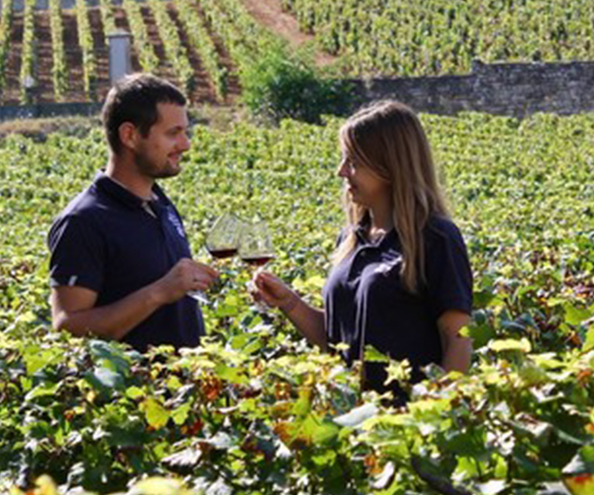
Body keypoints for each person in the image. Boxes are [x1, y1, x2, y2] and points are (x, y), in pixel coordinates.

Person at [251, 100, 473, 396]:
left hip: (406, 425)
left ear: (390, 166)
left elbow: (457, 342)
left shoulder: (435, 238)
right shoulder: (351, 239)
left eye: (353, 161)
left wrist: (433, 417)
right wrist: (289, 302)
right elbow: (339, 340)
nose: (341, 172)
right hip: (352, 420)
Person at [48, 74, 218, 351]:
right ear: (130, 135)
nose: (185, 145)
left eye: (185, 132)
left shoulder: (160, 203)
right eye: (173, 133)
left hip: (183, 390)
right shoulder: (83, 221)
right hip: (131, 392)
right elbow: (68, 326)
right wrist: (158, 292)